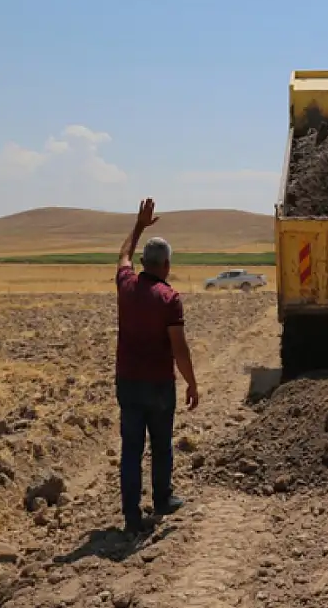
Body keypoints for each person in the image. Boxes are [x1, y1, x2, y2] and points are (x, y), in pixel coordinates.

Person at [114, 197, 199, 534]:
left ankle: (132, 516)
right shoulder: (169, 297)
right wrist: (192, 382)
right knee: (161, 446)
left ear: (143, 262)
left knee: (131, 449)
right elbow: (179, 347)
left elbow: (122, 256)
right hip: (159, 385)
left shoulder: (126, 285)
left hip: (128, 382)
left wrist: (138, 225)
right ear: (164, 265)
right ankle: (162, 500)